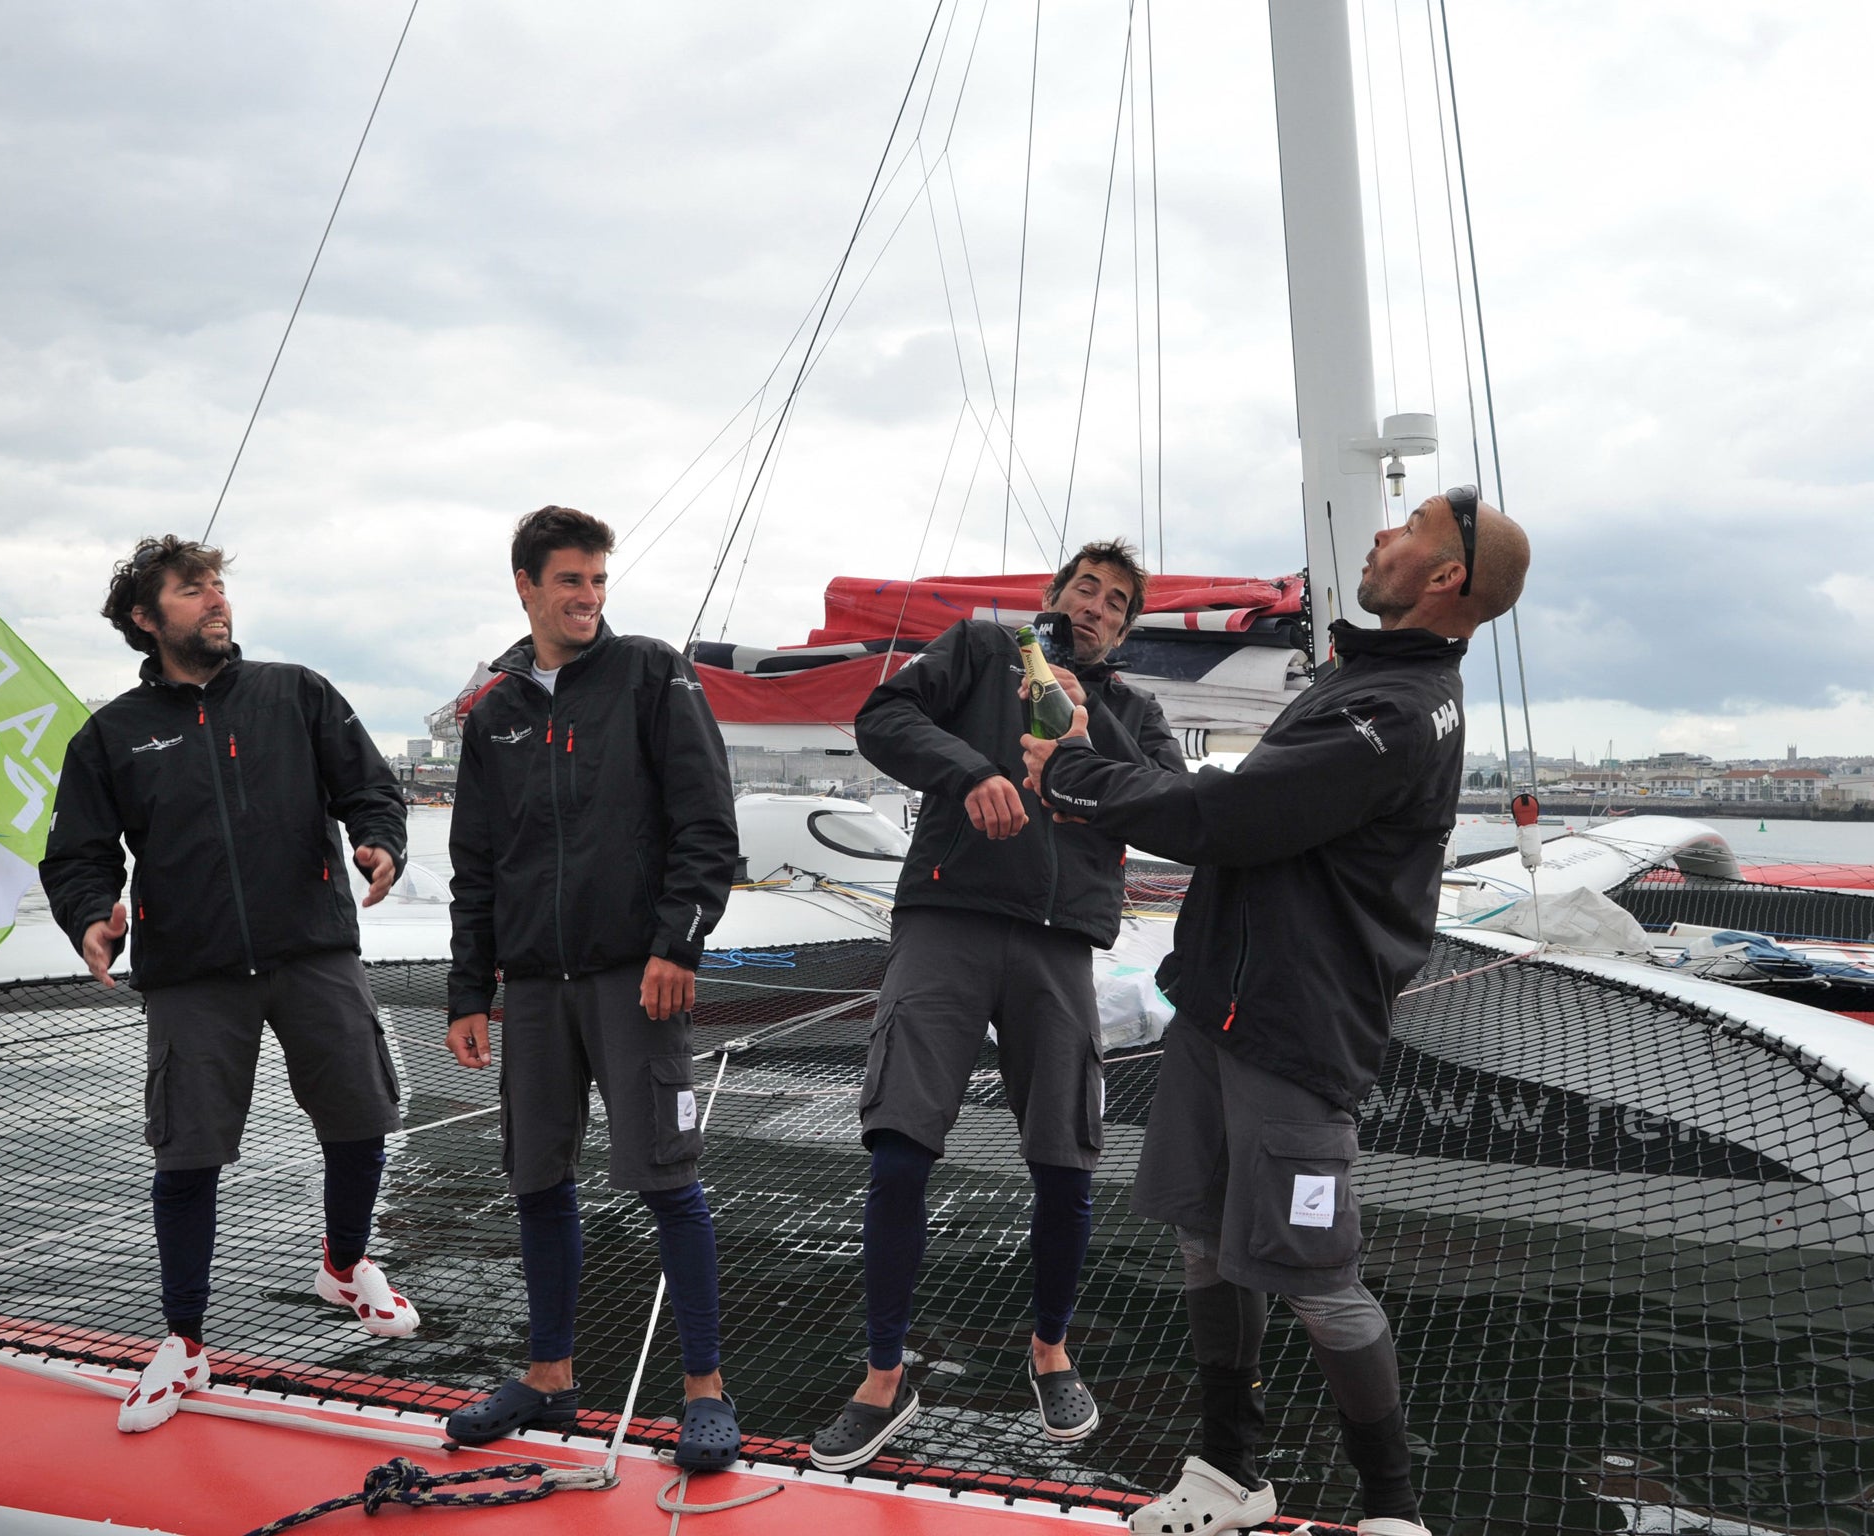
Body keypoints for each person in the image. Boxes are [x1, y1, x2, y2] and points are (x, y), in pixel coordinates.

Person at [1020, 490, 1530, 1535]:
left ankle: (1391, 1511)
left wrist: (1070, 771)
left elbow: (1235, 817)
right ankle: (1225, 1473)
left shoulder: (1389, 712)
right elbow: (1248, 804)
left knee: (1316, 1275)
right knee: (1203, 1236)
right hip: (1226, 1003)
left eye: (1406, 530)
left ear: (1442, 577)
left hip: (1297, 1026)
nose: (1380, 536)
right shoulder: (1366, 674)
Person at [807, 538, 1185, 1473]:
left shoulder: (1133, 708)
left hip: (1060, 940)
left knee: (1064, 1161)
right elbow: (882, 716)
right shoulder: (979, 651)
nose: (1095, 605)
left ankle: (1050, 1350)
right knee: (900, 1147)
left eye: (1115, 601)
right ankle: (884, 1376)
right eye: (1083, 589)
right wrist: (969, 773)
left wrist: (1094, 727)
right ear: (1054, 596)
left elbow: (1171, 804)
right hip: (950, 914)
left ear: (1127, 626)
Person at [41, 535, 416, 1435]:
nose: (215, 599)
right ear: (145, 617)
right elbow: (78, 855)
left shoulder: (297, 693)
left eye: (219, 584)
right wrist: (92, 913)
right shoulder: (110, 737)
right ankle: (184, 1342)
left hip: (312, 948)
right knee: (188, 1153)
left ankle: (344, 1262)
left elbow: (371, 787)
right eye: (191, 588)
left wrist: (379, 839)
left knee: (363, 1115)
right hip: (192, 972)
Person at [442, 505, 743, 1472]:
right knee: (537, 1180)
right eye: (569, 580)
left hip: (636, 974)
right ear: (525, 586)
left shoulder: (652, 673)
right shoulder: (493, 712)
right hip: (532, 986)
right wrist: (464, 992)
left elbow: (708, 824)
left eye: (598, 579)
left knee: (669, 1182)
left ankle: (706, 1390)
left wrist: (678, 945)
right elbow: (475, 865)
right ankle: (549, 1378)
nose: (587, 597)